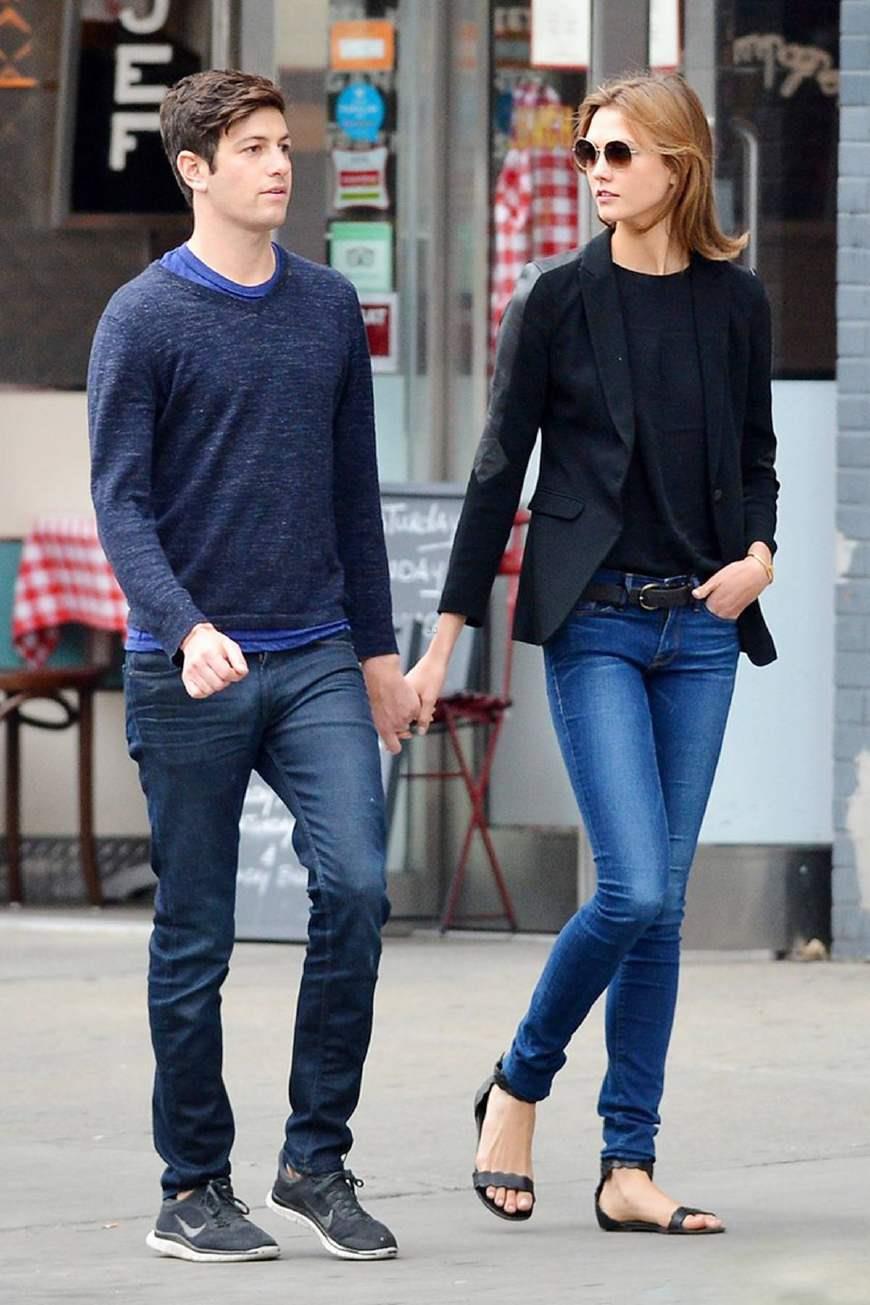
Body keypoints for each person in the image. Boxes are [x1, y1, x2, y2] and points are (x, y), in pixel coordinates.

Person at [408, 71, 778, 1235]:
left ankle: (628, 1165)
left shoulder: (736, 304)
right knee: (632, 885)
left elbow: (756, 456)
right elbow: (494, 477)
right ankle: (519, 1084)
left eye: (620, 152)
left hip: (701, 630)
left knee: (661, 906)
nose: (598, 173)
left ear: (679, 163)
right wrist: (443, 644)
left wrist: (761, 554)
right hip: (599, 625)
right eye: (589, 153)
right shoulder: (557, 302)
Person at [88, 69, 420, 1265]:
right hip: (190, 668)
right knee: (197, 935)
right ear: (194, 169)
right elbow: (120, 505)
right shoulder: (141, 318)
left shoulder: (327, 307)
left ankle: (313, 1162)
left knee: (360, 888)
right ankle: (192, 1188)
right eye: (254, 148)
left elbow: (353, 499)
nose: (281, 165)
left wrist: (378, 655)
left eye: (285, 144)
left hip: (316, 650)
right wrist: (185, 627)